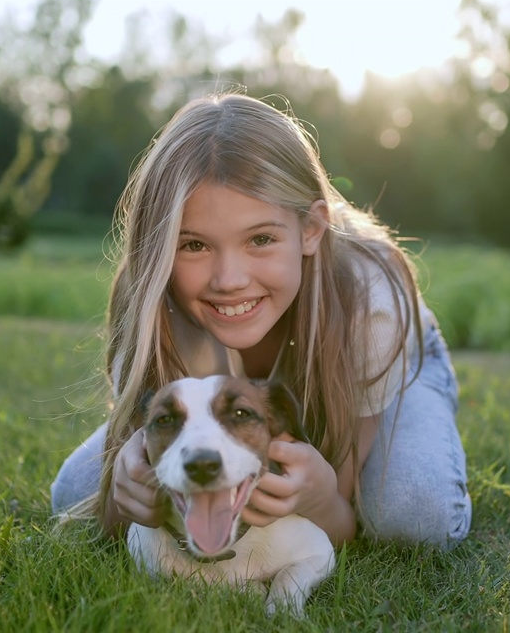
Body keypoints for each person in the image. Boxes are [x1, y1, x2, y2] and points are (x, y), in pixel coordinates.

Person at [51, 93, 470, 550]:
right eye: (193, 245)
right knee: (75, 492)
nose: (229, 280)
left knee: (412, 513)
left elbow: (339, 517)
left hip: (382, 364)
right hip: (222, 400)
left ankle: (424, 425)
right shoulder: (150, 296)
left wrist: (321, 498)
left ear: (311, 230)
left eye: (261, 239)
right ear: (158, 248)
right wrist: (130, 495)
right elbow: (117, 519)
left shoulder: (372, 304)